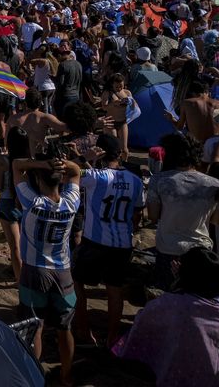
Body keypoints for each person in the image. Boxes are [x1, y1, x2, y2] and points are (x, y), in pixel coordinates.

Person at [113, 247, 219, 387]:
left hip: (180, 377)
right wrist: (182, 280)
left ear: (187, 275)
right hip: (218, 379)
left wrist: (177, 284)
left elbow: (144, 320)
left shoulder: (176, 304)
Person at [13, 144, 82, 387]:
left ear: (39, 179)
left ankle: (34, 375)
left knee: (36, 327)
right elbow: (76, 173)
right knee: (65, 329)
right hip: (63, 271)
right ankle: (66, 376)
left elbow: (17, 166)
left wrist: (42, 164)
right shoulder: (71, 203)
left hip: (35, 269)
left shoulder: (32, 202)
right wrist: (62, 165)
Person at [73, 134, 145, 349]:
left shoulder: (97, 176)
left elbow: (71, 174)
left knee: (77, 283)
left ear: (101, 153)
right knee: (114, 290)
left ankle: (84, 330)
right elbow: (138, 213)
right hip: (122, 242)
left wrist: (83, 157)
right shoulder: (136, 180)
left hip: (95, 239)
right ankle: (112, 335)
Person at [147, 133, 219, 290]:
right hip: (201, 250)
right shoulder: (215, 184)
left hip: (168, 248)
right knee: (196, 295)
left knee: (167, 294)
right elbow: (216, 221)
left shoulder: (159, 181)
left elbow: (153, 217)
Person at [0, 126, 30, 281]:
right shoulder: (29, 161)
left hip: (7, 202)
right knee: (24, 243)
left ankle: (20, 280)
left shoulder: (3, 161)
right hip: (24, 202)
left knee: (14, 246)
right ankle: (19, 271)